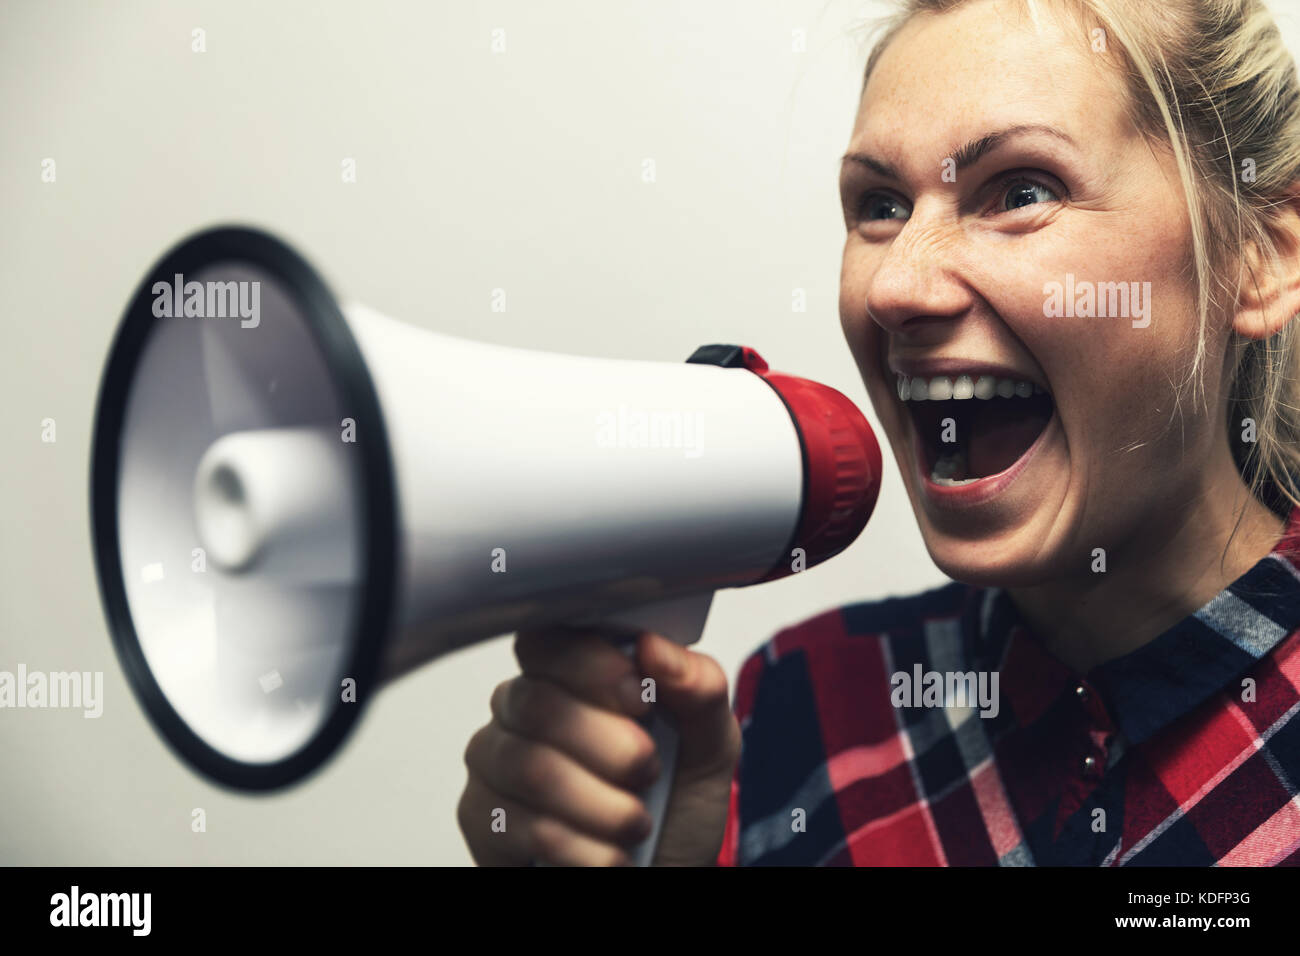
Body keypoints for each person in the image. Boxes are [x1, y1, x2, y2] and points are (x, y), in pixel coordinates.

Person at [457, 0, 1300, 866]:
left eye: (1021, 191)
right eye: (881, 205)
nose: (894, 287)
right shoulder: (800, 707)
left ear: (1261, 255)